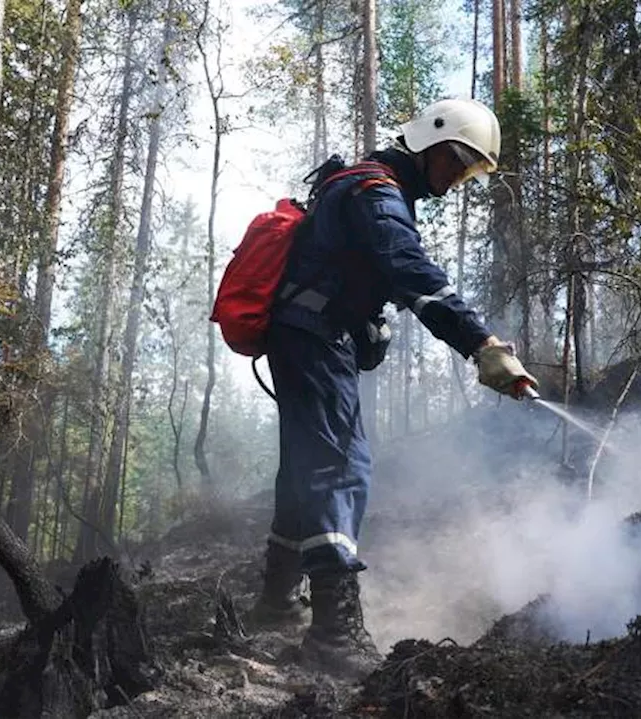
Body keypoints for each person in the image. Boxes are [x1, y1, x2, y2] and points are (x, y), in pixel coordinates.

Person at [249, 98, 538, 675]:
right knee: (339, 464)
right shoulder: (377, 194)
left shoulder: (372, 187)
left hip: (305, 333)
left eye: (467, 172)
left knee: (308, 463)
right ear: (430, 140)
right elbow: (410, 270)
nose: (456, 180)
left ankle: (276, 602)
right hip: (313, 334)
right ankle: (333, 633)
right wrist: (480, 343)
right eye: (456, 163)